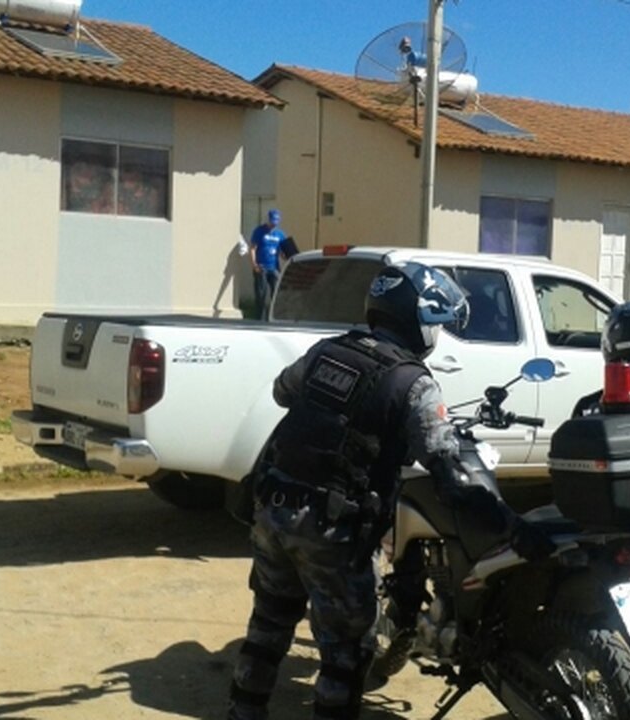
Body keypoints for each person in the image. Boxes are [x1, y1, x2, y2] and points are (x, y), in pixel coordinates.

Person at [227, 262, 554, 720]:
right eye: (436, 325)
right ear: (417, 321)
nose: (437, 336)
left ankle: (243, 711)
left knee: (269, 622)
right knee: (345, 651)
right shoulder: (412, 382)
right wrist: (511, 526)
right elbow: (448, 470)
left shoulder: (327, 351)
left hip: (273, 508)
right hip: (330, 528)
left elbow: (284, 392)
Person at [250, 209, 287, 320]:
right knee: (261, 294)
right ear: (268, 219)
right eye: (272, 222)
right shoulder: (259, 231)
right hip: (261, 267)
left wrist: (288, 255)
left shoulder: (280, 234)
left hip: (274, 267)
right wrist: (254, 264)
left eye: (275, 222)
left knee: (276, 294)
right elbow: (252, 248)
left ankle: (275, 318)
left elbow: (282, 252)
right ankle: (260, 319)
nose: (273, 225)